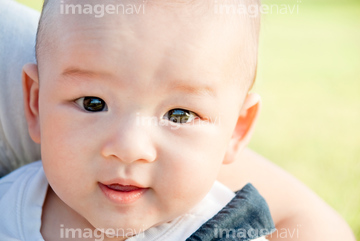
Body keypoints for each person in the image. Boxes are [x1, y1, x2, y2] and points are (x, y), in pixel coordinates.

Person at [0, 1, 355, 240]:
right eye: (93, 103)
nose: (129, 148)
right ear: (34, 104)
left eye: (179, 115)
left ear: (236, 130)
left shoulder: (230, 231)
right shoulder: (7, 208)